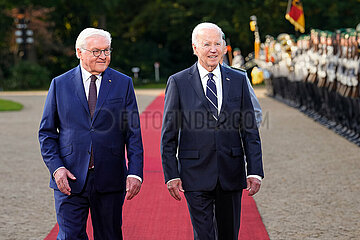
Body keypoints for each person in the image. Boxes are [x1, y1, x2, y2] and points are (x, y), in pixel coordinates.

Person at [161, 22, 264, 240]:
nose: (213, 49)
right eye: (206, 44)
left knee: (229, 235)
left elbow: (250, 130)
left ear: (225, 47)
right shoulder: (178, 82)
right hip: (194, 173)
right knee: (204, 235)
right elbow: (168, 134)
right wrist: (171, 174)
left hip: (231, 171)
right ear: (195, 48)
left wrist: (254, 170)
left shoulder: (238, 79)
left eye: (218, 43)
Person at [39, 28, 143, 240]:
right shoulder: (59, 84)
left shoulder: (123, 83)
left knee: (109, 235)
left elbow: (133, 133)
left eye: (106, 50)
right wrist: (57, 169)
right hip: (69, 178)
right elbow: (47, 133)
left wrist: (135, 172)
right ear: (79, 52)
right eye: (96, 51)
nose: (103, 56)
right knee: (69, 236)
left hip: (110, 177)